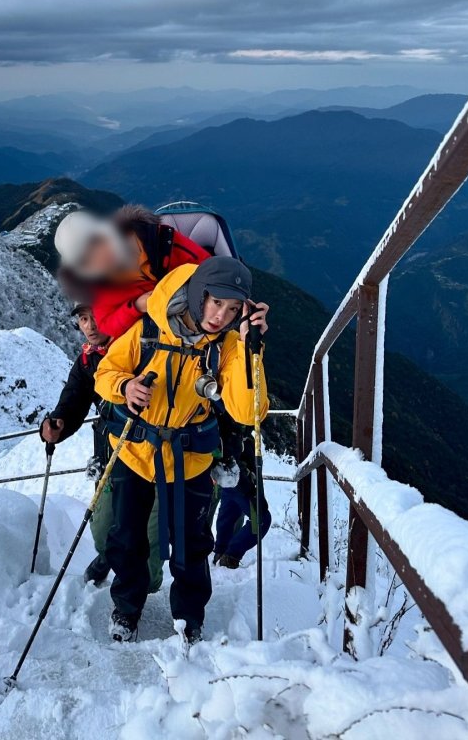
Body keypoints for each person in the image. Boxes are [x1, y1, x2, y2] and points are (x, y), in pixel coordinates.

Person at [94, 256, 269, 645]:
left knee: (192, 543)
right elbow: (105, 373)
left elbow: (248, 410)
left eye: (232, 308)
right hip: (135, 451)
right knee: (128, 537)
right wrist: (125, 387)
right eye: (215, 302)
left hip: (190, 459)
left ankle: (189, 617)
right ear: (197, 293)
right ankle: (126, 608)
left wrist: (249, 348)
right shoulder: (148, 330)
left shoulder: (227, 348)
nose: (220, 316)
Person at [39, 303, 162, 592]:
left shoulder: (137, 347)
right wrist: (58, 424)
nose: (90, 326)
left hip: (153, 454)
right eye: (83, 318)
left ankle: (140, 586)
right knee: (103, 526)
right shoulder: (87, 361)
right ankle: (109, 557)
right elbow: (74, 399)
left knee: (151, 531)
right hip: (111, 454)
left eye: (95, 316)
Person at [55, 205, 210, 340]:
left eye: (97, 242)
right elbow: (107, 325)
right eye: (85, 261)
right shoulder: (100, 290)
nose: (98, 258)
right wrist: (136, 306)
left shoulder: (158, 239)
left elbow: (209, 269)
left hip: (208, 317)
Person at [212, 414, 272, 569]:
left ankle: (221, 550)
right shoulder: (231, 422)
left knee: (230, 510)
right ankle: (231, 554)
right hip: (237, 477)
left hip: (228, 476)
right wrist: (250, 490)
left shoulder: (221, 413)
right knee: (262, 519)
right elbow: (232, 456)